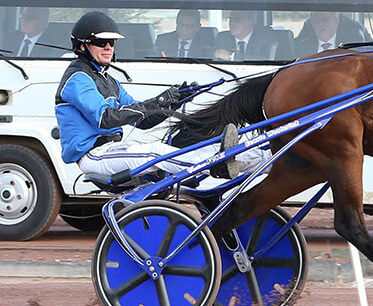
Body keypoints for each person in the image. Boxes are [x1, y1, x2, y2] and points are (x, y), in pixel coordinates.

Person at [55, 11, 268, 180]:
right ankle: (217, 165)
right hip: (94, 155)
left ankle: (264, 160)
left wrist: (173, 101)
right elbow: (105, 118)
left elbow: (143, 122)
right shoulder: (78, 78)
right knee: (156, 153)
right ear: (82, 45)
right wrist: (158, 101)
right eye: (102, 42)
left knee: (196, 147)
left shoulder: (110, 81)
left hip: (111, 150)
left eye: (112, 42)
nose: (109, 47)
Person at [213, 10, 294, 61]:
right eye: (230, 20)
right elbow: (207, 56)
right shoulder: (222, 37)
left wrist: (232, 57)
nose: (232, 23)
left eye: (237, 19)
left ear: (251, 21)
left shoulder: (266, 38)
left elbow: (266, 59)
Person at [293, 12, 371, 58]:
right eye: (316, 20)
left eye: (325, 19)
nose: (321, 24)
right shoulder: (300, 49)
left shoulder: (352, 47)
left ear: (336, 21)